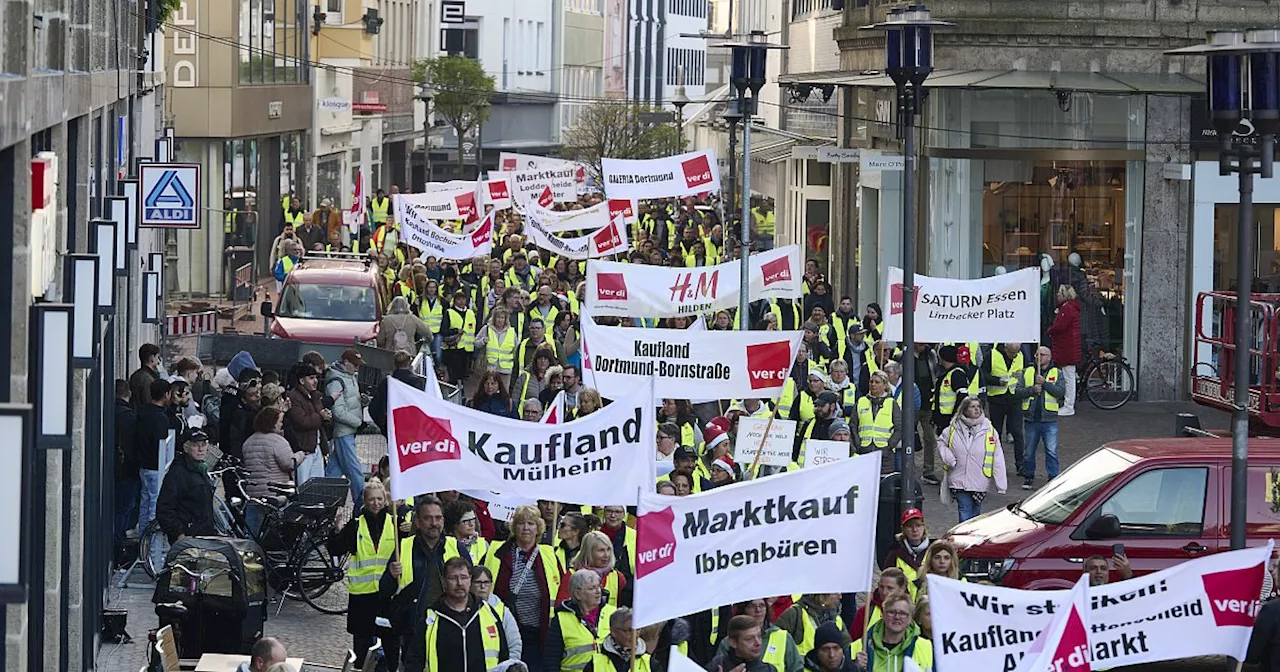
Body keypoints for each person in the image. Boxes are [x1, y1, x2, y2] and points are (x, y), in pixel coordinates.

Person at [484, 504, 562, 672]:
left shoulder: (549, 554)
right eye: (521, 523)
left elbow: (562, 590)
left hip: (538, 632)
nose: (526, 528)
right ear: (514, 526)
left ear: (538, 528)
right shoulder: (497, 551)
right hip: (505, 630)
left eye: (531, 523)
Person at [329, 481, 398, 667]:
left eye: (379, 499)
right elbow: (336, 549)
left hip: (387, 594)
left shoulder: (396, 524)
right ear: (365, 502)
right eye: (371, 499)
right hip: (362, 595)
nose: (376, 503)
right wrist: (337, 528)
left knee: (391, 643)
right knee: (361, 645)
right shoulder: (356, 525)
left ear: (385, 501)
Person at [419, 557, 520, 672]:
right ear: (444, 581)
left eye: (464, 577)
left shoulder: (489, 613)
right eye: (453, 578)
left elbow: (504, 657)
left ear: (470, 580)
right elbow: (414, 660)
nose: (459, 583)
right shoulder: (431, 618)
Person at [383, 496, 450, 671]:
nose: (434, 523)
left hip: (448, 629)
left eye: (437, 518)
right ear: (418, 522)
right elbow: (385, 590)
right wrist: (391, 575)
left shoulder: (456, 547)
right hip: (413, 631)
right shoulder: (403, 547)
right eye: (428, 518)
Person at [938, 395, 1008, 522]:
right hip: (959, 478)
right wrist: (949, 459)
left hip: (980, 480)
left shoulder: (989, 431)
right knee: (965, 508)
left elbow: (997, 457)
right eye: (972, 407)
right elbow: (941, 444)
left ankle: (972, 537)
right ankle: (964, 536)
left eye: (978, 407)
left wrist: (1001, 484)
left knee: (976, 511)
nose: (976, 409)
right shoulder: (952, 429)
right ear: (964, 409)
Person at [241, 408, 306, 535]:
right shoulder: (278, 441)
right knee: (275, 533)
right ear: (272, 423)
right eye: (280, 421)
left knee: (253, 532)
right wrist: (300, 455)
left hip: (253, 494)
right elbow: (288, 464)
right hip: (274, 492)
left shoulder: (248, 442)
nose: (282, 424)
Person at [544, 569, 616, 672]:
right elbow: (551, 660)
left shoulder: (613, 613)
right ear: (578, 594)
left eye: (599, 586)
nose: (598, 592)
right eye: (592, 588)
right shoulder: (561, 619)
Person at [155, 428, 217, 543]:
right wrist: (179, 534)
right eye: (195, 445)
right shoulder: (178, 472)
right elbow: (165, 508)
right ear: (186, 447)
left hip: (203, 534)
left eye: (203, 444)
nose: (200, 449)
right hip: (189, 537)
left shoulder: (200, 468)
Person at [1019, 345, 1066, 490]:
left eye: (1043, 354)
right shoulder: (1027, 372)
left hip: (1049, 420)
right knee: (1029, 452)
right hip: (1031, 419)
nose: (1039, 357)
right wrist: (1032, 390)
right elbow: (1018, 392)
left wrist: (1044, 384)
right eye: (1037, 354)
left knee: (1051, 451)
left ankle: (1053, 477)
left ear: (1049, 357)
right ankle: (1028, 477)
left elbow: (1061, 392)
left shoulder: (1057, 373)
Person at [326, 348, 368, 514]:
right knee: (355, 473)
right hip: (344, 432)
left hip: (347, 431)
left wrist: (361, 400)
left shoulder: (348, 377)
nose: (357, 368)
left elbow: (348, 403)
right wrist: (359, 423)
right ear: (346, 363)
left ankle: (325, 504)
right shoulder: (336, 380)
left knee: (333, 474)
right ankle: (361, 508)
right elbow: (339, 412)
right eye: (355, 365)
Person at [848, 593, 932, 672]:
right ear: (883, 615)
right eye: (891, 612)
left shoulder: (926, 648)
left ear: (910, 618)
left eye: (903, 613)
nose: (897, 617)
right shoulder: (858, 647)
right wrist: (855, 668)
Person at [713, 598, 801, 672]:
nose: (758, 610)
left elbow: (797, 669)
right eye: (752, 606)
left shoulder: (783, 637)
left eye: (762, 605)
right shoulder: (726, 645)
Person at [137, 378, 174, 538]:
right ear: (166, 394)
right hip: (155, 466)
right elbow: (161, 445)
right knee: (154, 506)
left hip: (143, 465)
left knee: (144, 505)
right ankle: (152, 544)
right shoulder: (161, 418)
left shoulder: (141, 412)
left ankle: (142, 541)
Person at [982, 342, 1026, 472]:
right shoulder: (992, 355)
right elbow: (983, 374)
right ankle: (995, 464)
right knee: (996, 433)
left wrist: (1022, 375)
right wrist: (997, 381)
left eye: (1015, 353)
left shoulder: (1021, 355)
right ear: (1005, 348)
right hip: (997, 398)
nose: (1013, 356)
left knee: (1018, 432)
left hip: (1014, 397)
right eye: (1011, 353)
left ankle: (1021, 464)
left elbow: (1027, 371)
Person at [558, 530, 629, 607]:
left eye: (608, 549)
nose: (606, 555)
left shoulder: (618, 577)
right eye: (601, 550)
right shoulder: (572, 575)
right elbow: (562, 606)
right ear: (589, 552)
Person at [370, 349, 428, 432]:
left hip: (391, 424)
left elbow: (374, 407)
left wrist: (383, 425)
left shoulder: (386, 382)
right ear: (409, 362)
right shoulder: (416, 382)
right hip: (411, 426)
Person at [1047, 284, 1082, 416]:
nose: (1057, 295)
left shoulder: (1066, 309)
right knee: (1069, 375)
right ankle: (1068, 404)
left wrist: (1049, 330)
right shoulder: (1071, 308)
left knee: (1068, 376)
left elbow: (1059, 326)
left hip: (1067, 346)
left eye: (1059, 293)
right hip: (1069, 346)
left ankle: (1068, 406)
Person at [847, 568, 907, 643]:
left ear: (902, 588)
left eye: (890, 588)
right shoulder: (865, 612)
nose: (884, 592)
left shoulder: (912, 612)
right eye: (881, 587)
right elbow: (853, 641)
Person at [882, 508, 930, 601]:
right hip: (903, 608)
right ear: (903, 529)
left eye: (918, 525)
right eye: (910, 526)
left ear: (924, 527)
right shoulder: (895, 553)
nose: (915, 529)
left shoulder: (933, 550)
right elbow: (886, 582)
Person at [114, 379, 140, 545]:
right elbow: (132, 445)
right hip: (126, 469)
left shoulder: (108, 411)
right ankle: (118, 542)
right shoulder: (128, 416)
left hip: (115, 466)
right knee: (124, 508)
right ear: (129, 393)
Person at [775, 594, 843, 657]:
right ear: (822, 595)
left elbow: (846, 649)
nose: (840, 596)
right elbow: (776, 645)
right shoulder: (795, 614)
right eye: (835, 593)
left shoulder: (837, 618)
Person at [708, 614, 778, 672]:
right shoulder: (717, 665)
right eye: (749, 639)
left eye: (759, 636)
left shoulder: (769, 670)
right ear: (733, 642)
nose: (758, 643)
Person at [586, 607, 648, 672]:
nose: (635, 635)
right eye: (629, 630)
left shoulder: (649, 663)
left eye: (637, 630)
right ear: (614, 632)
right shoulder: (595, 664)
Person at [444, 498, 490, 565]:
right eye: (466, 521)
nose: (471, 524)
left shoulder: (484, 544)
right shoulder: (445, 544)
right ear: (455, 524)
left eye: (473, 519)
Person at [130, 343, 162, 410]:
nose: (158, 361)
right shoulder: (149, 379)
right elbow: (148, 403)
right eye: (157, 357)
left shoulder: (135, 375)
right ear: (152, 358)